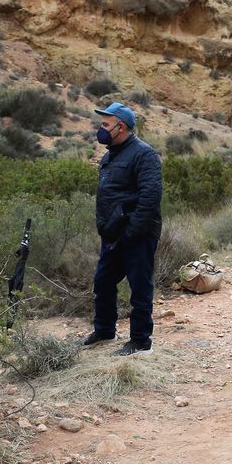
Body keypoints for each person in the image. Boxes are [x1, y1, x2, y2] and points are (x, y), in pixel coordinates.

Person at [82, 101, 162, 356]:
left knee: (140, 287)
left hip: (136, 235)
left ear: (121, 127)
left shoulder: (144, 154)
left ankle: (140, 342)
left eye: (106, 124)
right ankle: (105, 331)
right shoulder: (109, 155)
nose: (101, 129)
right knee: (103, 282)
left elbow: (150, 197)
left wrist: (132, 232)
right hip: (113, 234)